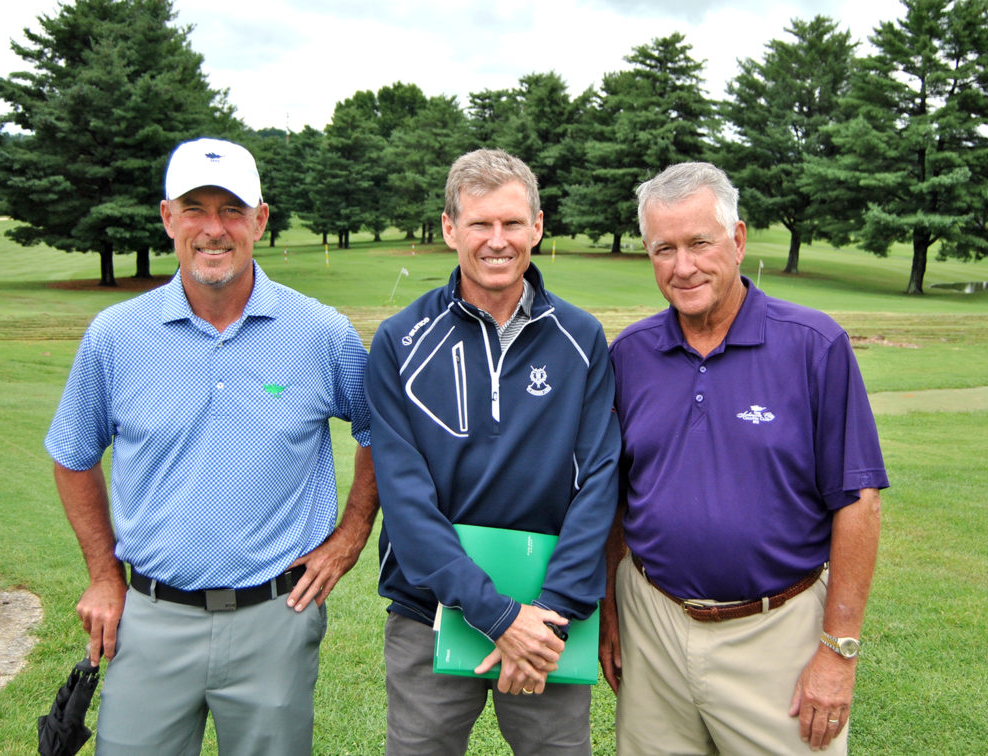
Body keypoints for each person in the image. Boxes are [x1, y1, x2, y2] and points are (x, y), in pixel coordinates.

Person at [45, 137, 378, 754]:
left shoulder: (321, 331)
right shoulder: (115, 336)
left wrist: (349, 540)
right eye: (195, 208)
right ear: (168, 218)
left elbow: (380, 435)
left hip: (275, 620)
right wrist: (101, 575)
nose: (213, 229)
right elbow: (73, 455)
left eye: (231, 210)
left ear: (260, 220)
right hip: (149, 618)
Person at [602, 161, 888, 755]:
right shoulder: (630, 354)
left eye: (699, 243)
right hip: (652, 624)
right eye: (663, 249)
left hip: (775, 631)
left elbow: (858, 500)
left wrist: (839, 651)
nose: (683, 267)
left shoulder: (814, 345)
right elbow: (613, 499)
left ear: (736, 241)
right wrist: (610, 611)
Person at [365, 148, 620, 755]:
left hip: (551, 619)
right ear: (450, 228)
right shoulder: (400, 340)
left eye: (512, 223)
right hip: (429, 609)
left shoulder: (581, 338)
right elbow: (404, 498)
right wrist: (498, 616)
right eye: (480, 223)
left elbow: (599, 480)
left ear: (537, 226)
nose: (497, 240)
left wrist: (546, 616)